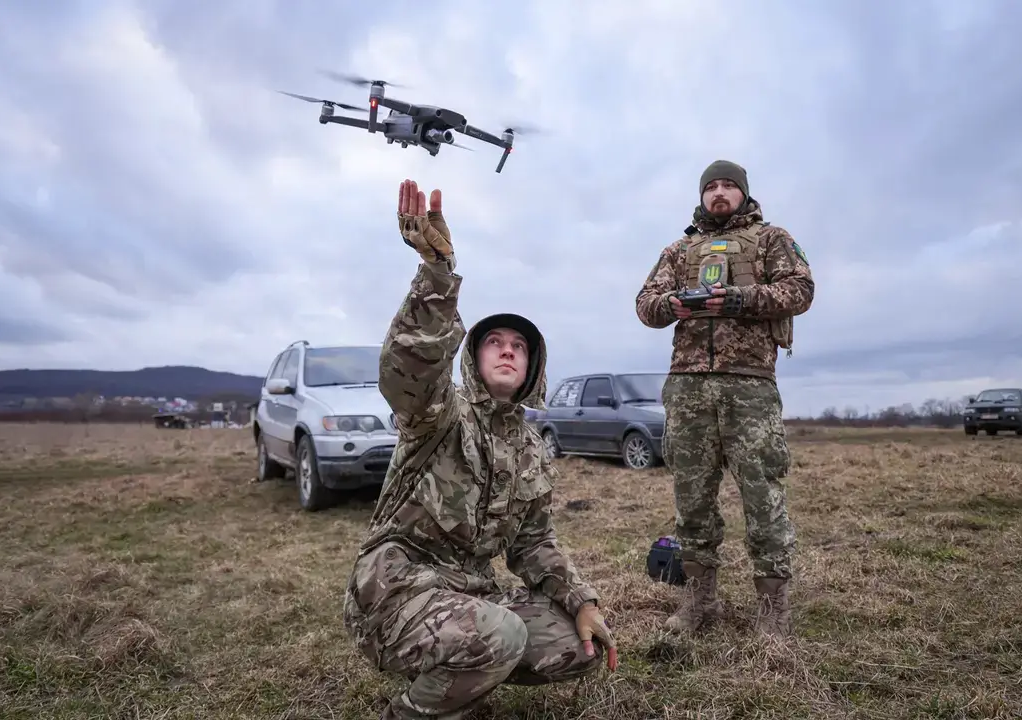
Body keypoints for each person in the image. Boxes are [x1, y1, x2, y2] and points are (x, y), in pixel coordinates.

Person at [343, 179, 618, 719]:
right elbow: (410, 369)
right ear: (473, 357)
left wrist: (581, 599)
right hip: (394, 592)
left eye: (520, 347)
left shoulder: (532, 449)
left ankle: (463, 680)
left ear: (533, 367)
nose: (509, 351)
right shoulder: (438, 414)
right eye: (496, 342)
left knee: (575, 644)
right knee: (502, 634)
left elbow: (535, 542)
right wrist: (437, 271)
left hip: (469, 593)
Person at [634, 160, 814, 638]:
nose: (719, 193)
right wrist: (674, 304)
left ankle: (773, 609)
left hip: (749, 384)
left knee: (762, 494)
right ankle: (699, 601)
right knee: (691, 497)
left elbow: (800, 288)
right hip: (688, 386)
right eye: (711, 186)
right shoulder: (680, 248)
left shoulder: (772, 239)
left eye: (728, 186)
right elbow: (644, 304)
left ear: (743, 193)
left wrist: (740, 300)